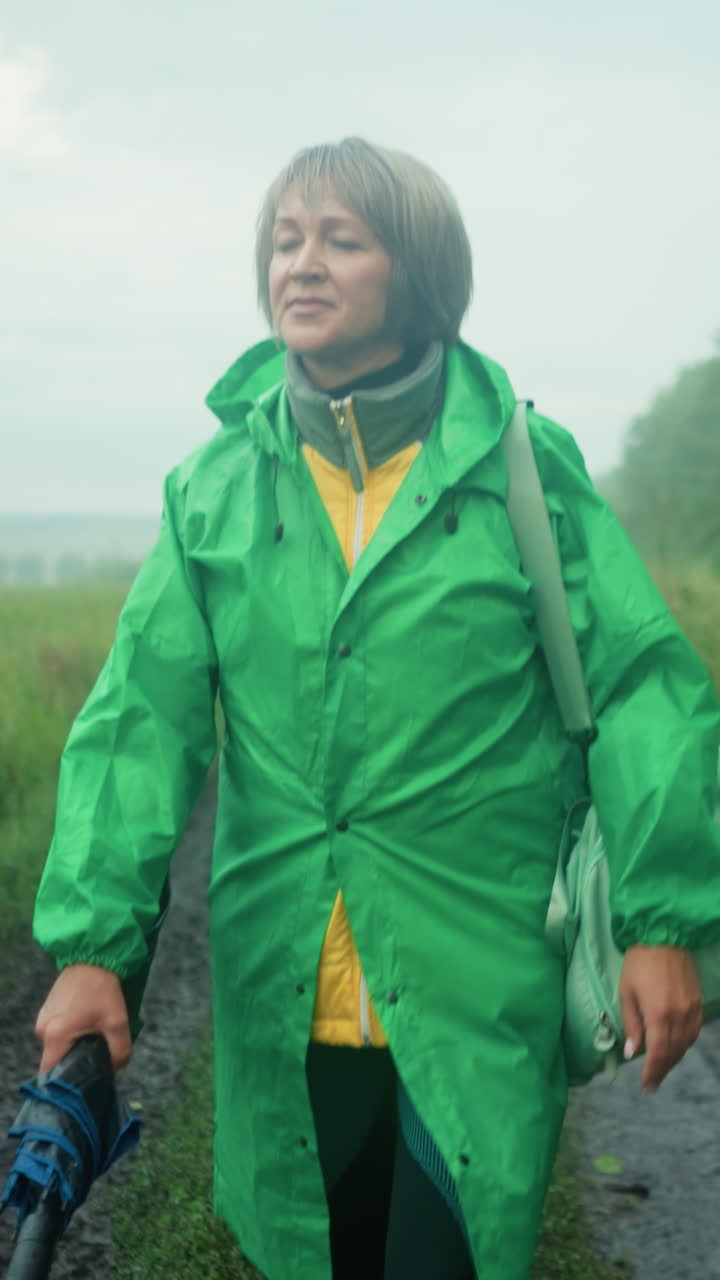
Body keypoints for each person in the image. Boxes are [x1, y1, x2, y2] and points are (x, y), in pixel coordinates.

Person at [32, 137, 720, 1280]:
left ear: (418, 272)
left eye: (340, 240)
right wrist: (96, 947)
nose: (300, 264)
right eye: (285, 240)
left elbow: (645, 683)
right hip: (282, 991)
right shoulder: (217, 488)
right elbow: (135, 723)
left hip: (477, 974)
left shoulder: (522, 469)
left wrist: (663, 920)